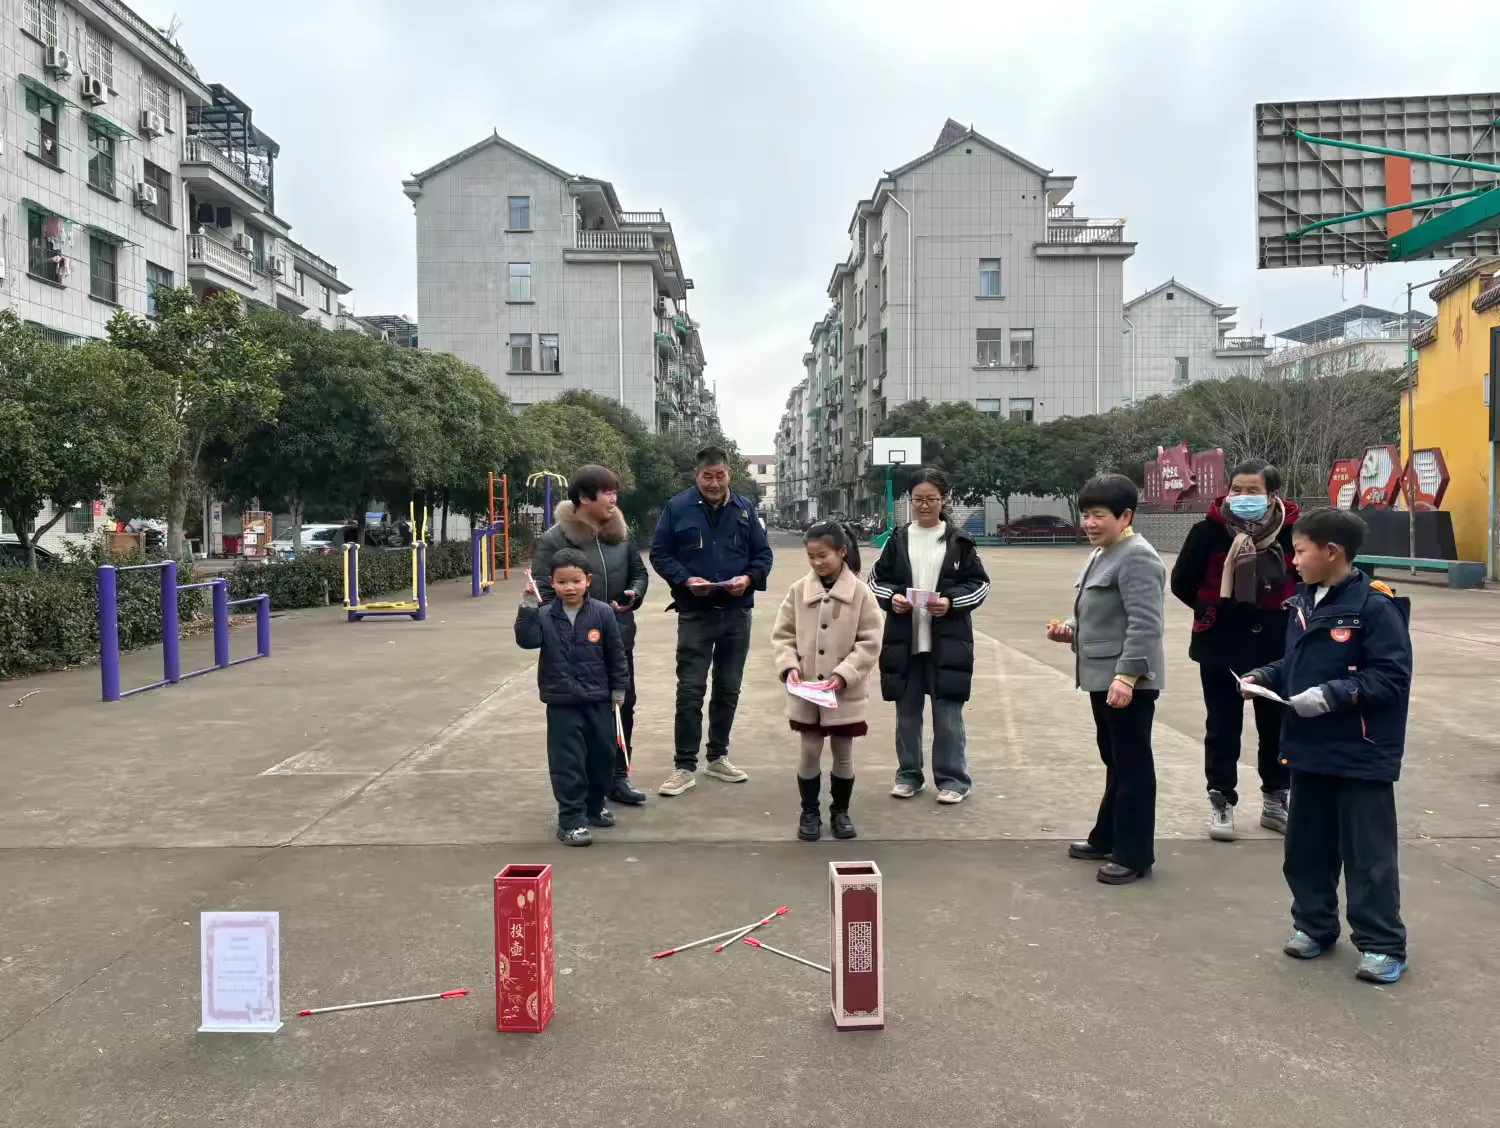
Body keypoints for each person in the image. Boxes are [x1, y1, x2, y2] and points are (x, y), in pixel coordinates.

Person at [1241, 507, 1412, 984]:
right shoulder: (1302, 602)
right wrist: (1265, 677)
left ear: (1332, 551)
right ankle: (1314, 926)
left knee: (1368, 855)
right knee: (1306, 848)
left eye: (1300, 551)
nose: (1293, 561)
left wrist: (1332, 695)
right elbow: (1294, 664)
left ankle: (1382, 945)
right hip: (1309, 748)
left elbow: (1391, 677)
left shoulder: (1375, 606)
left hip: (1361, 753)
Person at [1170, 459, 1299, 840]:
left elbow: (1306, 579)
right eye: (1237, 490)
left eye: (1253, 491)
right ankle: (1222, 800)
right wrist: (1211, 609)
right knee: (1222, 727)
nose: (1243, 497)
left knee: (1276, 727)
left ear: (1272, 495)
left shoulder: (1293, 533)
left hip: (1277, 646)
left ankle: (1275, 800)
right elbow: (1182, 582)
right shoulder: (1208, 532)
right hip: (1220, 643)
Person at [1047, 473, 1166, 886]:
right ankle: (1107, 836)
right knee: (1115, 761)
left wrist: (1128, 676)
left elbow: (1146, 625)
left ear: (1125, 516)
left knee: (1133, 766)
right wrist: (1070, 629)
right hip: (1103, 678)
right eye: (1086, 515)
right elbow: (1102, 613)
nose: (1090, 523)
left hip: (1126, 682)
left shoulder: (1138, 557)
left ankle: (1134, 855)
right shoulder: (1104, 552)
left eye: (1099, 515)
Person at [649, 445, 774, 796]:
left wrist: (747, 579)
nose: (715, 483)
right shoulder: (678, 507)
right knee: (690, 689)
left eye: (720, 476)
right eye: (708, 477)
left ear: (729, 474)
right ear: (697, 476)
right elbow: (659, 553)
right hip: (695, 614)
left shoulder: (745, 509)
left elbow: (763, 555)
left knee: (727, 688)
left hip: (736, 614)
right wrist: (686, 580)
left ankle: (718, 757)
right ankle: (684, 766)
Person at [867, 467, 991, 804]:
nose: (924, 505)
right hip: (904, 642)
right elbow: (875, 581)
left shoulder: (959, 542)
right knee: (907, 715)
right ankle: (908, 775)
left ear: (943, 500)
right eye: (918, 499)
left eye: (931, 499)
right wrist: (893, 598)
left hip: (948, 644)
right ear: (910, 500)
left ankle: (953, 780)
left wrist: (950, 602)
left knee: (948, 716)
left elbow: (980, 585)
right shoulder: (897, 540)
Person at [531, 465, 650, 807]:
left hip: (619, 638)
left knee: (622, 706)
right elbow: (543, 591)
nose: (613, 499)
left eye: (615, 492)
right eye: (607, 492)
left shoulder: (620, 534)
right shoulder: (556, 539)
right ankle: (583, 786)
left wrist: (634, 593)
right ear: (584, 497)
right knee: (580, 717)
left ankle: (618, 776)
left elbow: (639, 573)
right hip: (574, 648)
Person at [771, 521, 883, 841]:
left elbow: (870, 641)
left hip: (844, 693)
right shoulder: (798, 591)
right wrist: (789, 666)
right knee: (809, 751)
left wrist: (844, 674)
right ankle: (809, 811)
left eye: (823, 556)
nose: (817, 562)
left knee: (843, 752)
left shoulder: (860, 593)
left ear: (842, 552)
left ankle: (840, 812)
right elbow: (783, 635)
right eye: (811, 556)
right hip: (807, 691)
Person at [514, 548, 631, 847]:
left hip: (599, 699)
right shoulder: (544, 615)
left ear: (588, 581)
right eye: (562, 582)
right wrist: (528, 605)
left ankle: (594, 806)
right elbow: (527, 641)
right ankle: (570, 820)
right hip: (562, 702)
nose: (569, 587)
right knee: (568, 762)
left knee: (603, 757)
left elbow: (616, 654)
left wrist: (619, 689)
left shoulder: (603, 613)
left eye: (576, 581)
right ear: (551, 583)